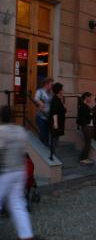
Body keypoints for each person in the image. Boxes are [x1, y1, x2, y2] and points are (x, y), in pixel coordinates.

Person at [0, 106, 34, 240]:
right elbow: (23, 151)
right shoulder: (21, 131)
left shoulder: (1, 131)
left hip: (5, 172)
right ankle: (26, 235)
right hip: (20, 171)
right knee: (17, 204)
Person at [34, 77, 53, 146]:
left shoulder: (51, 93)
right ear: (46, 84)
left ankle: (46, 152)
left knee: (47, 135)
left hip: (48, 117)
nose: (52, 86)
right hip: (41, 117)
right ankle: (41, 152)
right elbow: (36, 99)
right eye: (51, 85)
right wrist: (41, 104)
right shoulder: (40, 91)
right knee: (42, 135)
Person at [49, 83, 66, 157]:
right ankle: (53, 155)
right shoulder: (55, 100)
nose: (63, 91)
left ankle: (54, 155)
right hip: (56, 122)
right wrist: (55, 123)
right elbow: (54, 112)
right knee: (54, 139)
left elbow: (63, 110)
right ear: (59, 90)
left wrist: (62, 100)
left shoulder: (58, 99)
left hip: (60, 122)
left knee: (56, 139)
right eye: (62, 89)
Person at [76, 92, 94, 164]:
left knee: (88, 142)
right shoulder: (83, 106)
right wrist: (90, 115)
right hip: (86, 126)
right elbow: (82, 117)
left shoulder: (85, 106)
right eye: (90, 97)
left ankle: (83, 157)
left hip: (87, 125)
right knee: (88, 142)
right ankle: (83, 158)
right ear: (86, 97)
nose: (90, 99)